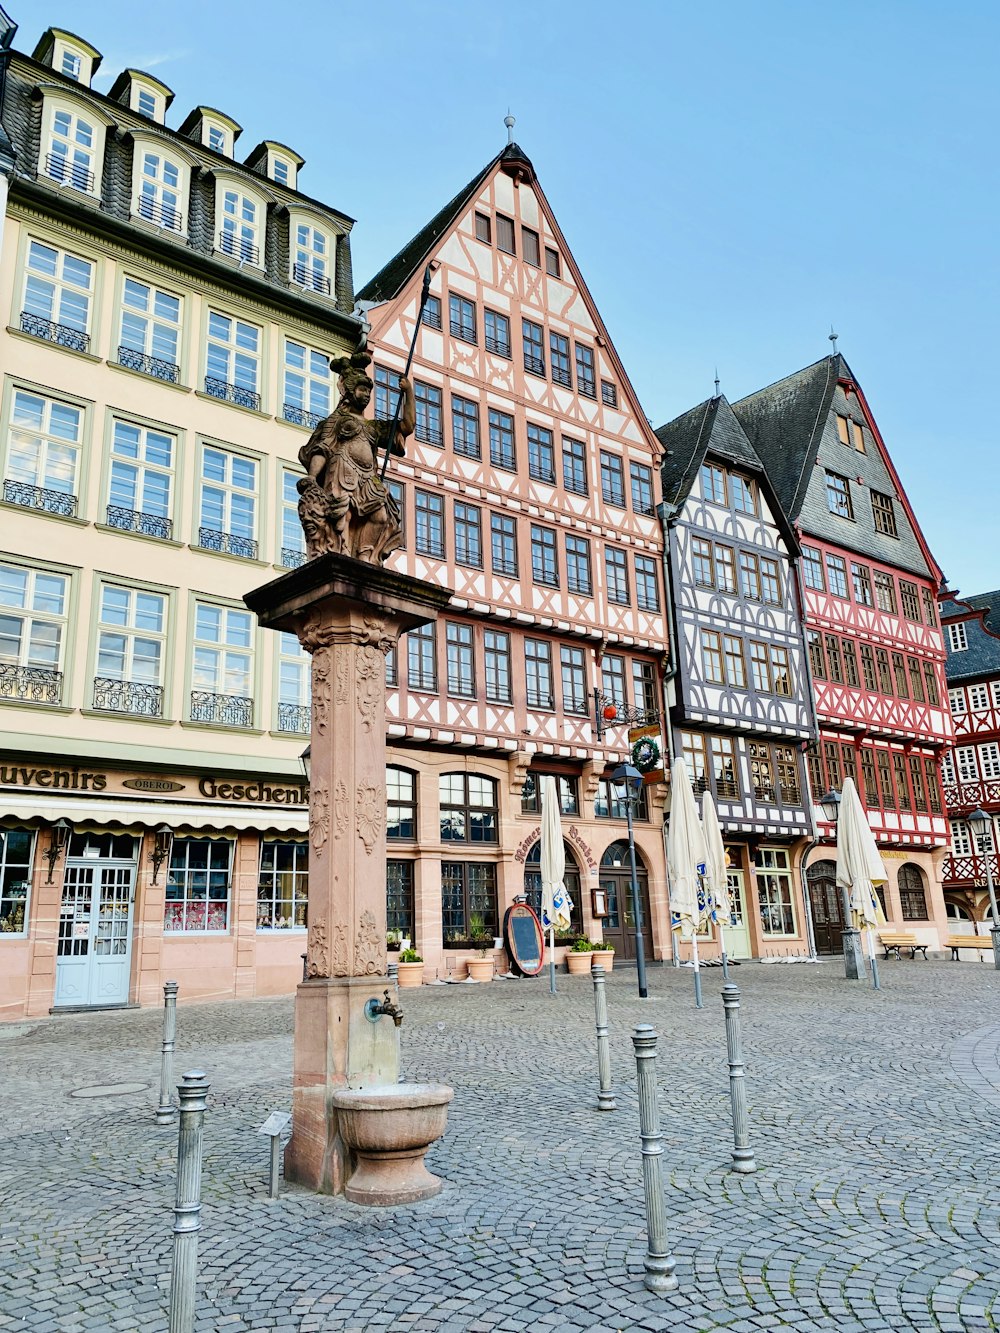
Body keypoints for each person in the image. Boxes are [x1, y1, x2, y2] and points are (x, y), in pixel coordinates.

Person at [297, 352, 414, 564]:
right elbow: (322, 449)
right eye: (362, 390)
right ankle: (342, 555)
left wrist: (409, 393)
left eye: (369, 391)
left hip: (368, 479)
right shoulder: (337, 420)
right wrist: (313, 478)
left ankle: (365, 554)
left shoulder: (373, 426)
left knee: (380, 517)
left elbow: (407, 426)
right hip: (343, 471)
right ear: (350, 391)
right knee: (343, 517)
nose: (367, 395)